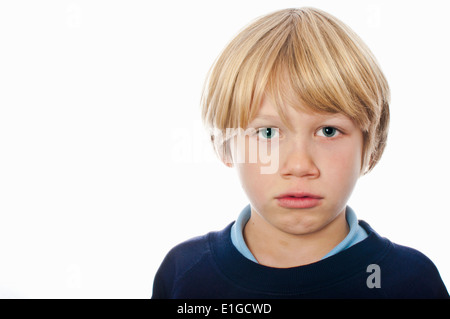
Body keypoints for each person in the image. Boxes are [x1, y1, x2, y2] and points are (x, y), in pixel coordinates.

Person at [152, 7, 448, 298]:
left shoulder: (411, 283)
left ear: (369, 147)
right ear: (225, 144)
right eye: (267, 133)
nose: (299, 165)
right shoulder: (185, 274)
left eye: (328, 131)